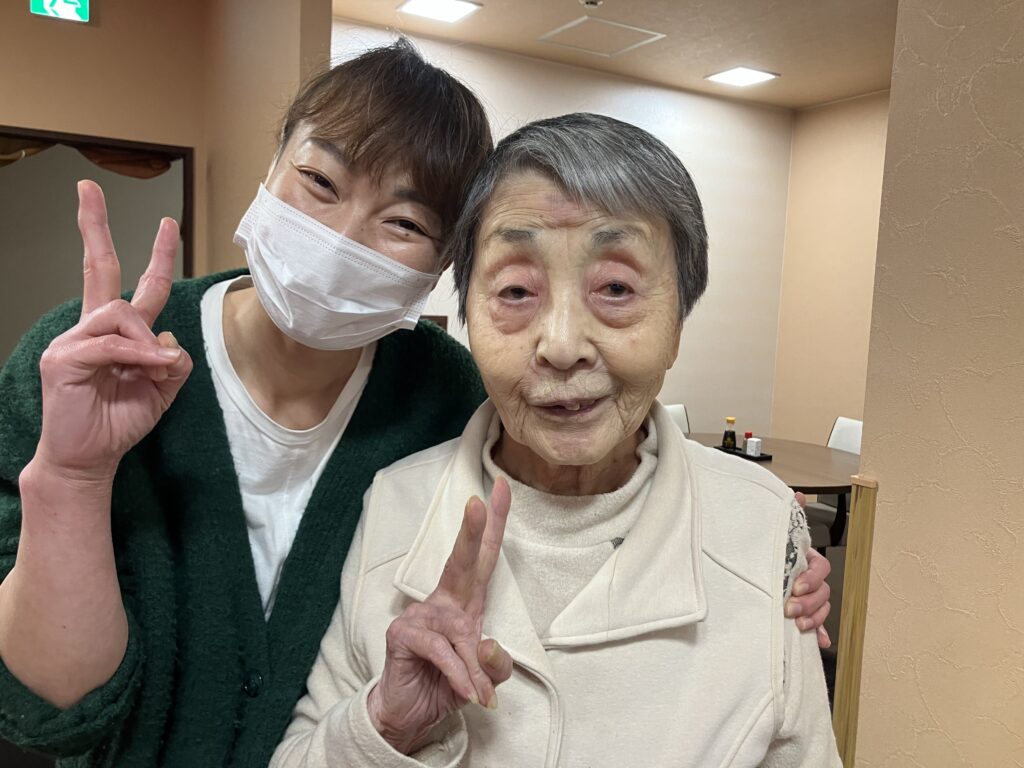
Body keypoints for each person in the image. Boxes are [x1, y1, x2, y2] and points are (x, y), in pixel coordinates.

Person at [0, 42, 831, 767]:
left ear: (441, 268)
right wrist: (73, 476)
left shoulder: (444, 395)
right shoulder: (88, 367)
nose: (339, 237)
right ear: (272, 162)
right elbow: (49, 711)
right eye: (318, 180)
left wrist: (754, 543)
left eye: (401, 222)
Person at [270, 113, 842, 767]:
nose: (563, 345)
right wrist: (385, 726)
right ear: (466, 314)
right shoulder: (397, 503)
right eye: (516, 290)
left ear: (679, 323)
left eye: (616, 288)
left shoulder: (760, 525)